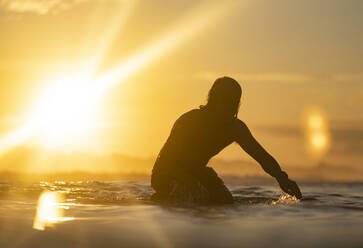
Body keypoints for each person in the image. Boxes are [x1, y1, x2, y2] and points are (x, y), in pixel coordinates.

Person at [151, 76, 302, 205]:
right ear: (213, 100)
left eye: (232, 102)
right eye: (224, 100)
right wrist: (190, 185)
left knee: (225, 201)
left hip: (197, 172)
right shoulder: (189, 121)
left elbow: (261, 156)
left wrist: (282, 179)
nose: (228, 107)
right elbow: (168, 163)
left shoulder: (234, 128)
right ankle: (161, 199)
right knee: (197, 196)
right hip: (166, 173)